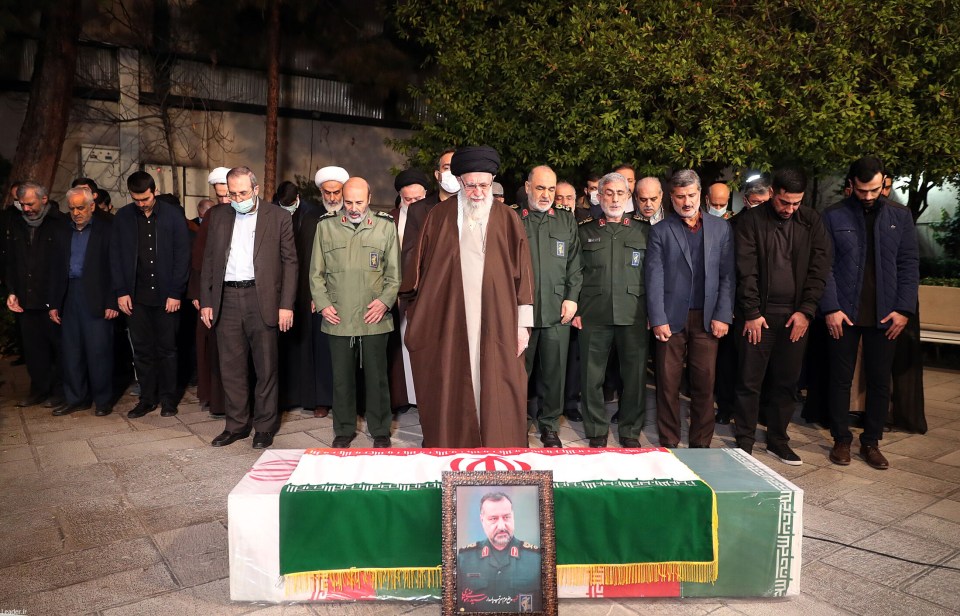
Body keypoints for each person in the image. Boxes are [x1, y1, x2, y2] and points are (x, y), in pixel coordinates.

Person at [400, 145, 534, 448]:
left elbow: (523, 273)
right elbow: (419, 273)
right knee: (452, 381)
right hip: (450, 320)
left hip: (498, 318)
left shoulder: (508, 218)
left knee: (500, 384)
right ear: (460, 182)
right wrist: (417, 312)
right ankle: (452, 444)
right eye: (470, 185)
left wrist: (522, 323)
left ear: (493, 181)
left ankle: (498, 446)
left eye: (483, 185)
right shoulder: (439, 216)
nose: (477, 192)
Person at [819, 156, 919, 470]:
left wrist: (903, 309)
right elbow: (824, 267)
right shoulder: (833, 216)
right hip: (844, 313)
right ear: (851, 185)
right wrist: (831, 308)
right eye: (862, 190)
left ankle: (871, 441)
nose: (868, 196)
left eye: (874, 189)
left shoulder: (900, 216)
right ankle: (841, 439)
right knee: (839, 380)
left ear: (884, 182)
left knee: (879, 381)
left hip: (886, 313)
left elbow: (908, 265)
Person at [732, 168, 832, 464]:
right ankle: (745, 440)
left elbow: (820, 268)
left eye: (796, 203)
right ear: (773, 192)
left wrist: (806, 311)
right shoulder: (750, 220)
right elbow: (744, 270)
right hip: (758, 317)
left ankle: (778, 439)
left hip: (795, 319)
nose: (790, 209)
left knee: (786, 382)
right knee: (749, 381)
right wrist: (751, 312)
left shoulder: (811, 221)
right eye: (785, 202)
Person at [200, 166, 297, 449]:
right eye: (232, 194)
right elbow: (208, 261)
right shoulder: (217, 216)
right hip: (226, 298)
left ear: (255, 190)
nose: (238, 198)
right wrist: (206, 301)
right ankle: (237, 425)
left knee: (266, 367)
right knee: (231, 367)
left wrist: (286, 305)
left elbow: (291, 263)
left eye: (243, 192)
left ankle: (265, 426)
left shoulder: (278, 217)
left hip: (262, 298)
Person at [646, 169, 734, 448]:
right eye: (680, 196)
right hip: (671, 319)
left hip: (708, 319)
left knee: (704, 385)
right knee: (668, 385)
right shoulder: (660, 231)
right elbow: (654, 276)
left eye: (692, 195)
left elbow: (727, 276)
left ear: (701, 195)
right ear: (671, 198)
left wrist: (722, 314)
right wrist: (658, 318)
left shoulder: (721, 228)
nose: (687, 202)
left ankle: (701, 444)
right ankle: (669, 441)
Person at [311, 177, 400, 448]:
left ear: (369, 199)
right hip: (338, 316)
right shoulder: (326, 227)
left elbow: (394, 276)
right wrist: (323, 303)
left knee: (377, 378)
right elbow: (316, 274)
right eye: (348, 201)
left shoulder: (385, 227)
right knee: (342, 379)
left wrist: (385, 302)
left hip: (374, 317)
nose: (352, 207)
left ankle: (380, 429)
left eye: (358, 202)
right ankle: (344, 429)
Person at [573, 172, 649, 448]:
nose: (614, 199)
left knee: (635, 375)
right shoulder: (585, 230)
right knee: (592, 376)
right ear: (599, 195)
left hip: (634, 312)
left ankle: (630, 430)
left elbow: (653, 274)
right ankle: (596, 429)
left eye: (620, 193)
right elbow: (575, 272)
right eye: (609, 193)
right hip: (593, 313)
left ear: (628, 197)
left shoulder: (644, 230)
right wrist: (577, 309)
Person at [111, 171, 190, 419]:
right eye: (136, 199)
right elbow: (115, 257)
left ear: (154, 192)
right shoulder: (123, 217)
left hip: (167, 296)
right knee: (142, 351)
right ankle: (147, 399)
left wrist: (176, 292)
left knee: (167, 350)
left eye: (145, 198)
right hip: (136, 297)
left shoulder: (173, 215)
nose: (141, 204)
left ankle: (168, 400)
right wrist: (121, 291)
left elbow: (182, 256)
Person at [515, 165, 582, 447]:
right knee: (519, 374)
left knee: (555, 372)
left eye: (551, 189)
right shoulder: (514, 218)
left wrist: (572, 297)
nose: (546, 195)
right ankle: (516, 425)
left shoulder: (566, 221)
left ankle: (550, 425)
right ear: (528, 187)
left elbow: (575, 264)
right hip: (523, 311)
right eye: (540, 188)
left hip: (557, 310)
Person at [48, 187, 118, 416]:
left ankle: (103, 401)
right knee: (71, 351)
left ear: (92, 206)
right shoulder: (62, 231)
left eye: (80, 207)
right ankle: (76, 398)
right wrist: (54, 303)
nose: (76, 213)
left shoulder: (106, 230)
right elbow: (55, 269)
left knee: (99, 352)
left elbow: (115, 268)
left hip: (97, 295)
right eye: (72, 208)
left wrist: (112, 301)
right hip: (69, 295)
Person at [4, 181, 66, 408]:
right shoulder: (17, 224)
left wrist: (57, 299)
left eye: (30, 204)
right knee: (33, 350)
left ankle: (60, 391)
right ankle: (39, 389)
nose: (26, 209)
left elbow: (63, 265)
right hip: (26, 299)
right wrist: (11, 291)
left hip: (51, 299)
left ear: (44, 199)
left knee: (58, 348)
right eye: (22, 205)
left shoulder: (59, 223)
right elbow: (11, 260)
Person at [389, 169, 431, 413]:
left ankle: (424, 396)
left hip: (426, 293)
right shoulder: (390, 219)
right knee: (400, 345)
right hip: (398, 292)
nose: (413, 204)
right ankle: (403, 397)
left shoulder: (435, 215)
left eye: (418, 200)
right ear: (400, 197)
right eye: (408, 200)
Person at [456, 492, 541, 613]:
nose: (501, 526)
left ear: (513, 516)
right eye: (493, 519)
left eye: (506, 517)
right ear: (482, 520)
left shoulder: (535, 559)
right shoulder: (464, 560)